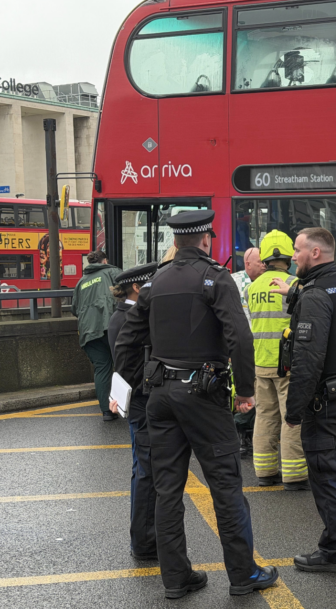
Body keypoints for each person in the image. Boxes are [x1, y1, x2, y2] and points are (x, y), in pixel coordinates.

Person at [114, 210, 278, 598]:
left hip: (160, 397)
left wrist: (143, 384)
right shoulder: (215, 278)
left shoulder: (154, 283)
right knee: (225, 485)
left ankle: (176, 579)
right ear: (205, 239)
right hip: (204, 396)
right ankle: (243, 574)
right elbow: (240, 337)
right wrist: (245, 391)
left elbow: (125, 343)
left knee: (167, 490)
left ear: (175, 241)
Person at [271, 227, 336, 573]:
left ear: (314, 253)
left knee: (328, 476)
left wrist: (294, 409)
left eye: (297, 250)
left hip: (326, 400)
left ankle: (335, 551)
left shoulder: (316, 295)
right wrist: (295, 293)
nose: (292, 256)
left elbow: (308, 358)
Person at [247, 231, 308, 489]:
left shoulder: (252, 288)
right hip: (287, 364)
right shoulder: (296, 285)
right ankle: (294, 475)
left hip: (261, 362)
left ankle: (265, 471)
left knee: (265, 416)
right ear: (288, 256)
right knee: (291, 417)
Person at [107, 263, 158, 561]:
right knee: (146, 470)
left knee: (143, 467)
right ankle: (144, 541)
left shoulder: (121, 315)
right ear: (137, 288)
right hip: (142, 400)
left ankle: (145, 537)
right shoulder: (131, 318)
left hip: (136, 400)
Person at [72, 250, 122, 421]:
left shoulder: (81, 282)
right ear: (105, 260)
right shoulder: (112, 272)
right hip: (111, 326)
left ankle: (107, 411)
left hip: (88, 331)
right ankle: (128, 406)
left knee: (102, 368)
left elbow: (74, 309)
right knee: (124, 364)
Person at [232, 246, 265, 458]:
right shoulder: (234, 282)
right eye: (260, 262)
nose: (264, 265)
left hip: (263, 348)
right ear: (247, 264)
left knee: (258, 392)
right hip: (241, 349)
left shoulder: (269, 282)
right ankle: (242, 433)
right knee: (245, 390)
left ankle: (250, 433)